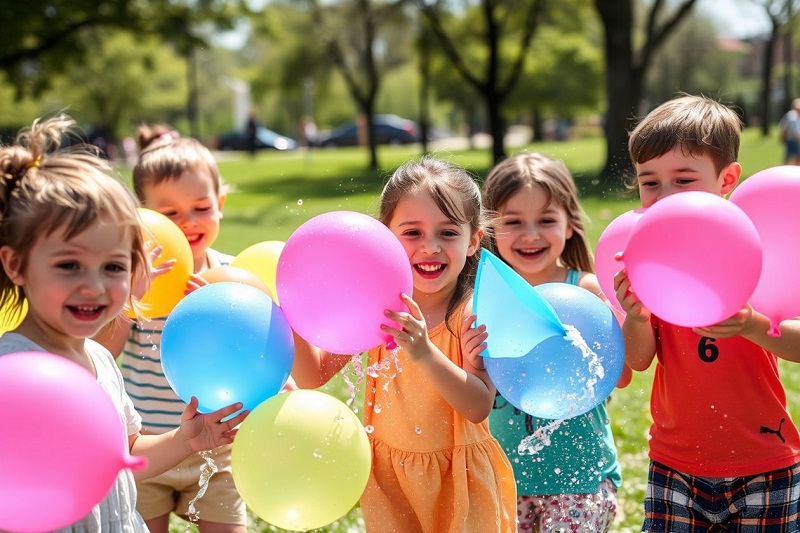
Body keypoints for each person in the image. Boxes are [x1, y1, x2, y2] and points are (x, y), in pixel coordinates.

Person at [0, 114, 247, 532]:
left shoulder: (97, 355)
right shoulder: (15, 371)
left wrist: (186, 439)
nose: (93, 286)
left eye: (113, 266)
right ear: (17, 265)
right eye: (69, 265)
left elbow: (125, 458)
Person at [291, 156, 517, 532]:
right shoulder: (374, 310)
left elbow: (478, 406)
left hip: (460, 480)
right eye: (412, 233)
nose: (430, 247)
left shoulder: (472, 314)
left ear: (474, 240)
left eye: (447, 233)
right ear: (384, 237)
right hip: (389, 478)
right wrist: (296, 312)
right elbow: (313, 374)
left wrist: (425, 352)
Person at [614, 94, 800, 532]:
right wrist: (637, 316)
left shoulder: (755, 251)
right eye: (650, 183)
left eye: (682, 179)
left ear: (726, 179)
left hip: (765, 463)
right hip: (674, 464)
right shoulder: (649, 261)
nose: (663, 197)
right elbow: (639, 360)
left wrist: (753, 325)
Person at [95, 125, 249, 533]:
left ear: (221, 203)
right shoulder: (135, 280)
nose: (188, 223)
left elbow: (256, 351)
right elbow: (105, 353)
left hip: (218, 445)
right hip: (147, 444)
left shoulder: (232, 277)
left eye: (201, 207)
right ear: (143, 217)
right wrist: (130, 300)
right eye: (171, 213)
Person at [473, 152, 629, 532]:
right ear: (490, 228)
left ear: (570, 225)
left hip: (579, 481)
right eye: (513, 222)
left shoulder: (585, 289)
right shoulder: (485, 296)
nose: (531, 234)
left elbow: (620, 375)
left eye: (546, 220)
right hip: (505, 479)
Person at [779, 98, 800, 164]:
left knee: (795, 159)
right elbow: (795, 132)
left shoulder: (794, 115)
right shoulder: (792, 116)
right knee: (791, 159)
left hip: (794, 141)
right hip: (792, 141)